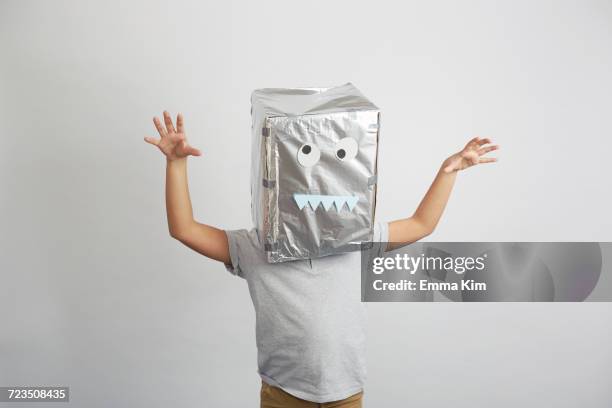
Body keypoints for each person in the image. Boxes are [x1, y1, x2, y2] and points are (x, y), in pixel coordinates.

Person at [144, 110, 498, 407]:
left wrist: (448, 171)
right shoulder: (256, 246)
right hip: (283, 393)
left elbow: (422, 224)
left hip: (345, 393)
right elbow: (185, 229)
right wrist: (176, 164)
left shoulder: (356, 237)